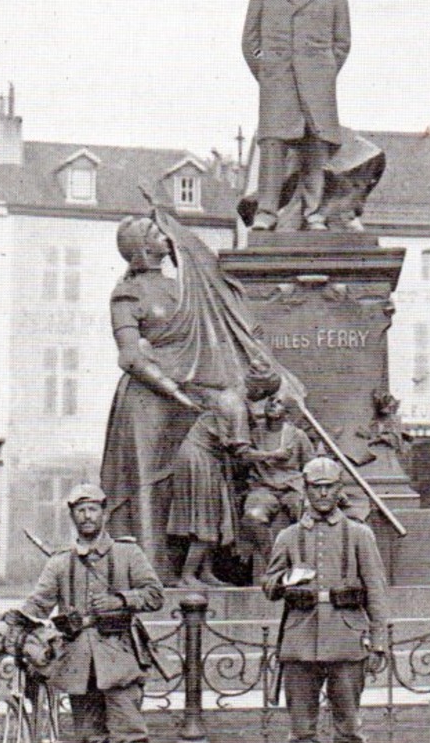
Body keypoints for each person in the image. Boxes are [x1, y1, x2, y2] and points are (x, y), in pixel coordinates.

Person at [100, 212, 299, 583]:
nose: (164, 235)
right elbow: (129, 355)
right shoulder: (127, 292)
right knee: (151, 484)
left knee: (200, 480)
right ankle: (151, 573)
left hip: (193, 394)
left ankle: (199, 568)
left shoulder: (186, 287)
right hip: (151, 398)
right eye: (155, 231)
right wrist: (173, 390)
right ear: (141, 247)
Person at [16, 484, 177, 743]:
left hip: (119, 658)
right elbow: (39, 603)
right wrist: (13, 620)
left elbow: (155, 595)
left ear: (104, 513)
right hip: (77, 661)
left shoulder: (128, 554)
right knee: (89, 739)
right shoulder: (61, 562)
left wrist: (121, 600)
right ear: (72, 515)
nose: (87, 516)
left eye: (93, 510)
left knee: (131, 736)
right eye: (80, 510)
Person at [263, 457, 390, 743]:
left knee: (349, 727)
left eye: (329, 486)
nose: (321, 493)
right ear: (305, 489)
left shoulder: (359, 534)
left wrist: (379, 642)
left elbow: (377, 592)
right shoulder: (288, 537)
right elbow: (268, 585)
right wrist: (287, 579)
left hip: (347, 640)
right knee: (302, 730)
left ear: (339, 490)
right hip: (300, 643)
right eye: (315, 486)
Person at [243, 0, 352, 231]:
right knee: (273, 145)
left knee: (316, 146)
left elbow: (342, 44)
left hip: (318, 86)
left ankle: (314, 213)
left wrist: (323, 73)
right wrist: (268, 76)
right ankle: (266, 213)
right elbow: (249, 44)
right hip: (278, 84)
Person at [165, 368, 285, 586]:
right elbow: (243, 452)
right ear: (256, 388)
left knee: (214, 516)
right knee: (204, 518)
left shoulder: (231, 394)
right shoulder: (236, 406)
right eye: (265, 394)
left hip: (205, 458)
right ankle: (188, 575)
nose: (264, 399)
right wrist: (273, 454)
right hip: (200, 460)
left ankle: (205, 573)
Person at [239, 392, 318, 582]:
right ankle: (273, 563)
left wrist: (309, 493)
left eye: (278, 402)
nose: (272, 405)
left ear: (287, 411)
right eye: (269, 401)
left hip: (292, 487)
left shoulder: (297, 435)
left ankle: (303, 566)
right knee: (253, 516)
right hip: (263, 488)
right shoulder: (254, 433)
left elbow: (311, 465)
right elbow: (243, 456)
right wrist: (272, 455)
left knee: (305, 514)